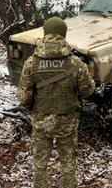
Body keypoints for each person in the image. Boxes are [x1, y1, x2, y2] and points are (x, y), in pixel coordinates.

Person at [17, 17, 95, 188]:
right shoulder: (76, 64)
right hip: (67, 122)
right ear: (63, 35)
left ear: (45, 35)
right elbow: (88, 91)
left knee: (40, 166)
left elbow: (23, 97)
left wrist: (33, 109)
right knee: (68, 166)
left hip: (41, 122)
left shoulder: (31, 63)